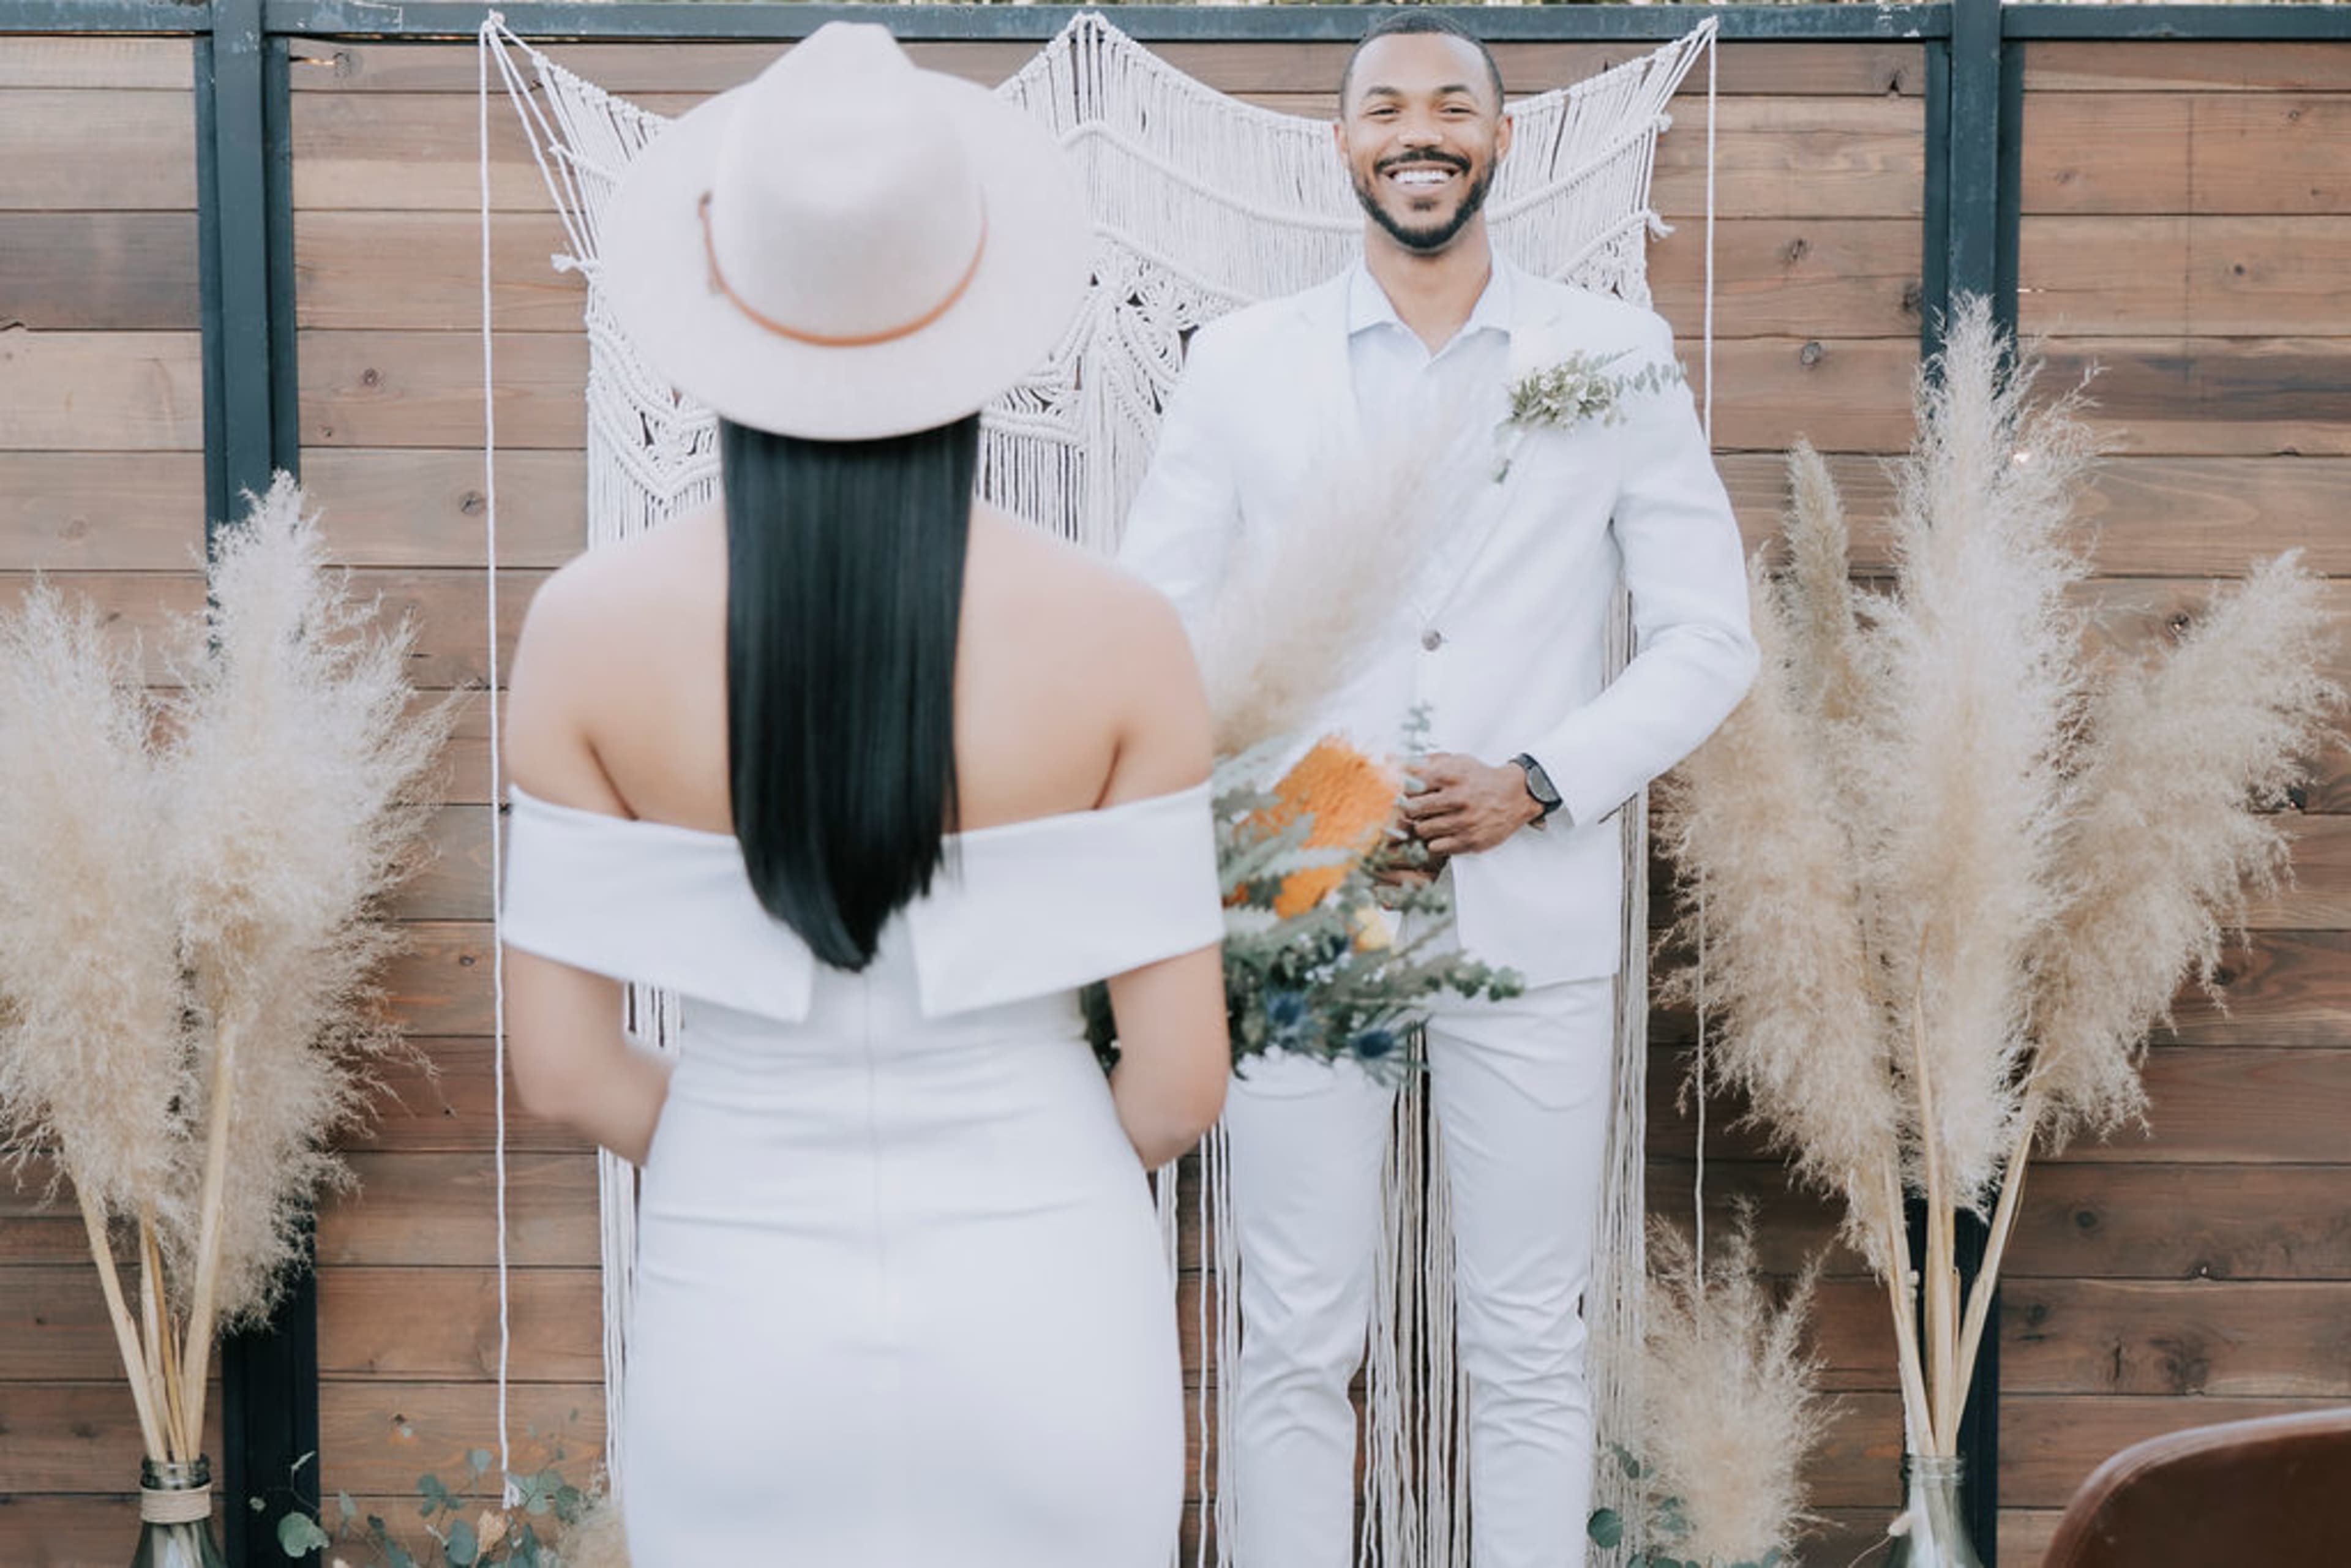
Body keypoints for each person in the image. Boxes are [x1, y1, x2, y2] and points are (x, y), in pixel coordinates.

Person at [496, 24, 1229, 1566]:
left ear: (725, 301)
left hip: (736, 1301)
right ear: (974, 301)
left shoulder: (584, 628)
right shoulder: (1120, 634)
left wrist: (761, 1136)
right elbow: (1176, 1088)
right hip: (1051, 1303)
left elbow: (562, 1073)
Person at [1118, 12, 1759, 1567]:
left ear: (1501, 140)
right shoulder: (1239, 364)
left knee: (1531, 1337)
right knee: (1294, 1333)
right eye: (1387, 108)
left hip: (1528, 917)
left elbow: (1708, 635)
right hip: (1302, 914)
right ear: (1343, 145)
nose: (1422, 130)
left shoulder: (1611, 357)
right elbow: (1152, 622)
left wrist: (1544, 778)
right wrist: (1281, 797)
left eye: (1454, 106)